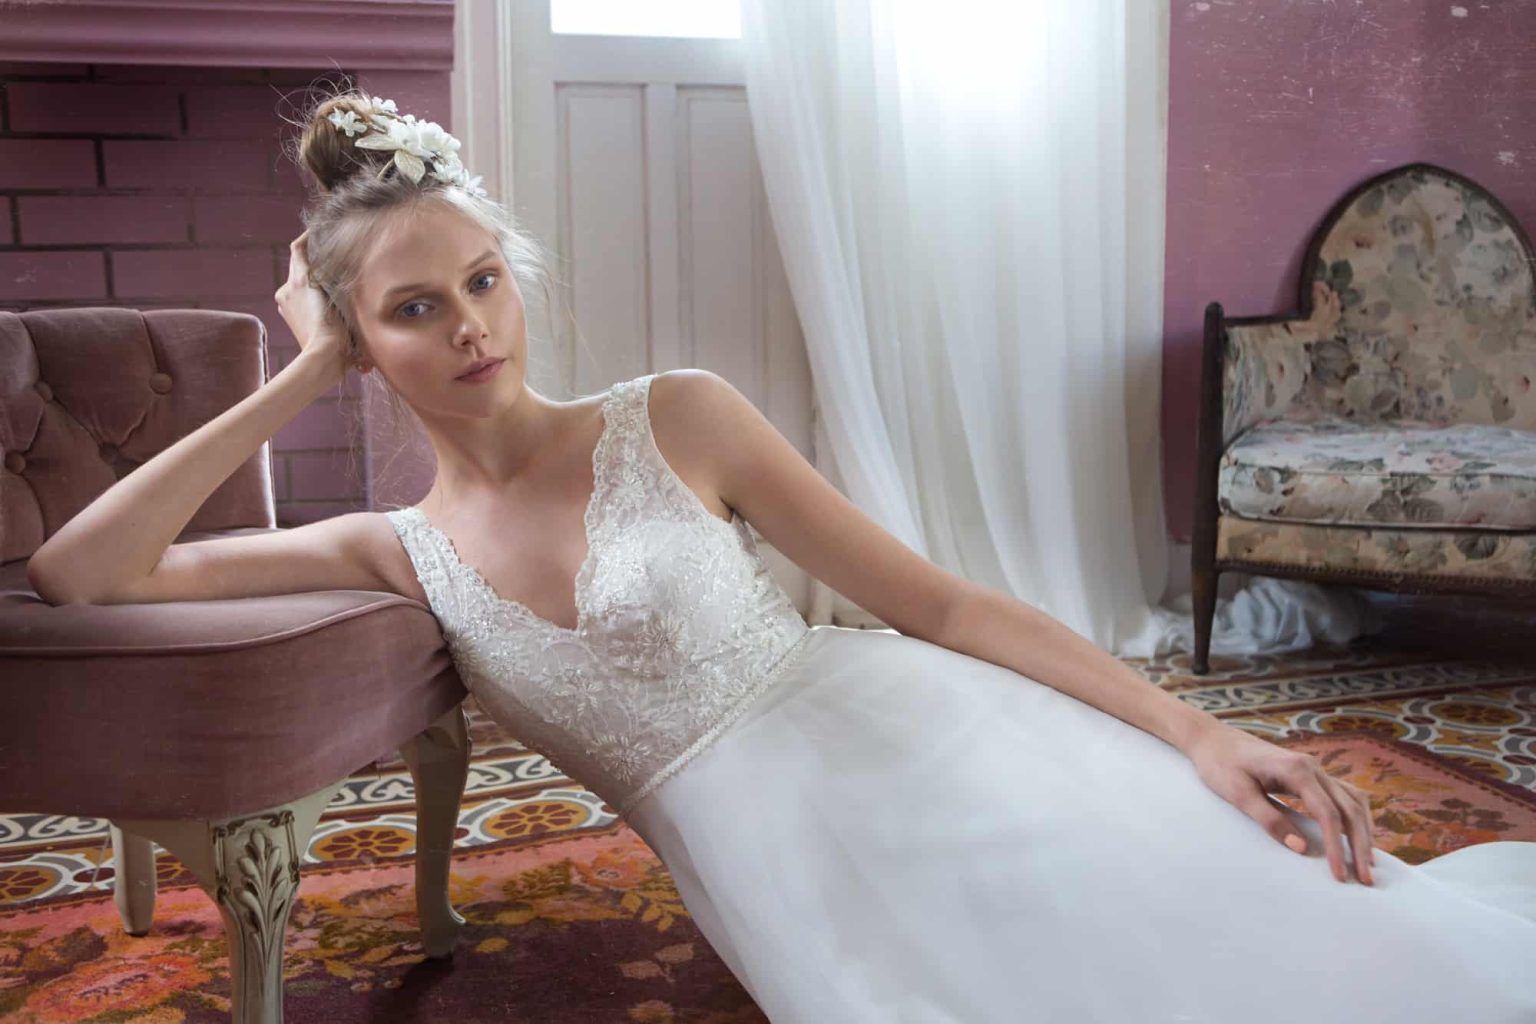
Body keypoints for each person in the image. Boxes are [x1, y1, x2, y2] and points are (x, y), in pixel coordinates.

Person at [28, 86, 1536, 1023]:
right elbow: (79, 574)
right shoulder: (392, 549)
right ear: (365, 339)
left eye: (483, 281)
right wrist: (300, 371)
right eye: (415, 309)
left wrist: (1199, 732)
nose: (472, 326)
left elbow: (938, 601)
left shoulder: (677, 415)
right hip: (779, 871)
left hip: (928, 744)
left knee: (1303, 961)